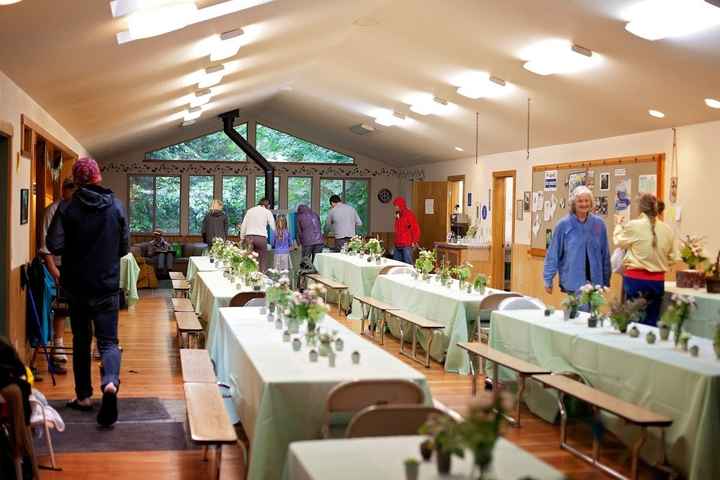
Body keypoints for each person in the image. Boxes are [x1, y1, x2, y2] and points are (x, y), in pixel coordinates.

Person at [47, 157, 129, 427]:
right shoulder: (116, 206)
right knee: (108, 342)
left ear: (77, 180)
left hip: (77, 287)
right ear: (98, 177)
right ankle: (110, 384)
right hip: (106, 285)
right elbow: (124, 249)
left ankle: (83, 397)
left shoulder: (68, 208)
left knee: (82, 342)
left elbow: (54, 245)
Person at [614, 194, 676, 326]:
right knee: (651, 321)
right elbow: (673, 257)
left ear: (640, 209)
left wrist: (619, 225)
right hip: (657, 282)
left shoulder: (634, 225)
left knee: (633, 320)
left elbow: (619, 241)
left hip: (635, 280)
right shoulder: (668, 230)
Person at [544, 186, 611, 295]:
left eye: (586, 200)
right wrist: (548, 279)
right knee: (575, 311)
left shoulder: (599, 224)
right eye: (580, 201)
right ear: (574, 203)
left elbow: (605, 254)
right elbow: (553, 254)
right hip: (572, 282)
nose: (584, 204)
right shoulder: (563, 225)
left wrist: (606, 280)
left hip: (595, 283)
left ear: (591, 203)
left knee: (593, 312)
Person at [39, 177, 75, 371]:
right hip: (58, 264)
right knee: (61, 308)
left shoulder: (81, 210)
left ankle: (96, 347)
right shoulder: (53, 210)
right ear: (64, 191)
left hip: (79, 265)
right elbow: (45, 246)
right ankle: (58, 345)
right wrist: (54, 270)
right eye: (70, 190)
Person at [240, 197, 276, 272]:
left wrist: (242, 238)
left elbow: (244, 225)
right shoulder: (267, 212)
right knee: (262, 260)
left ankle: (248, 278)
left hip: (249, 237)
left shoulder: (250, 211)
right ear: (267, 205)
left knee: (249, 259)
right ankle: (261, 278)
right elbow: (273, 226)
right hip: (261, 238)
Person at [392, 197, 420, 264]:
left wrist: (414, 241)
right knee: (396, 264)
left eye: (396, 206)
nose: (395, 207)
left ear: (401, 205)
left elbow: (415, 228)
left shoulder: (409, 214)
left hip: (406, 244)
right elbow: (397, 229)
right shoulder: (398, 215)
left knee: (408, 265)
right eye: (395, 206)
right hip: (397, 244)